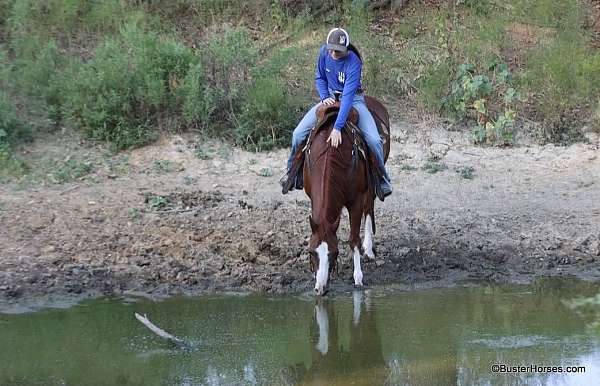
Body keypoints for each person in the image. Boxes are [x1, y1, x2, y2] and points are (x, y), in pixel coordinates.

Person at [279, 27, 392, 201]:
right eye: (331, 49)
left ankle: (382, 179)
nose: (333, 53)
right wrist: (324, 97)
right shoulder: (324, 53)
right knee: (297, 134)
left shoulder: (354, 62)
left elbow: (347, 97)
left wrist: (338, 127)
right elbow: (319, 77)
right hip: (330, 96)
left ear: (346, 49)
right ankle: (292, 173)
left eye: (338, 51)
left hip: (353, 99)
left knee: (375, 140)